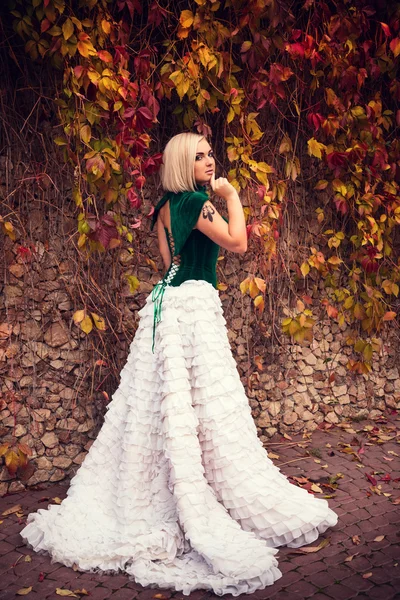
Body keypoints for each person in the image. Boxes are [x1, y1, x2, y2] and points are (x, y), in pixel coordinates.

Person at [20, 132, 338, 596]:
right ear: (181, 164)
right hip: (192, 309)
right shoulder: (196, 202)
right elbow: (237, 244)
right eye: (200, 157)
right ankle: (197, 490)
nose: (210, 162)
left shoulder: (162, 209)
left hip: (165, 306)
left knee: (162, 405)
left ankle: (166, 486)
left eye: (210, 155)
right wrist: (231, 196)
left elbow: (168, 262)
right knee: (203, 402)